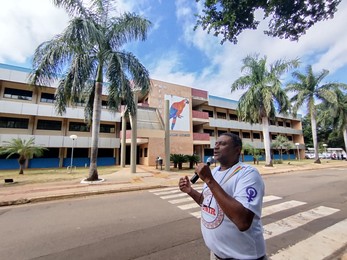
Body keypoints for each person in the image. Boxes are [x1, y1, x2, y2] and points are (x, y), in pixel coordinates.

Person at [179, 133, 266, 260]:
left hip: (243, 257)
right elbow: (207, 203)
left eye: (223, 144)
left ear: (237, 150)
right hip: (216, 255)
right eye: (216, 144)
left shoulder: (247, 173)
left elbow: (243, 221)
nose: (216, 147)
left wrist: (209, 180)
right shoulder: (214, 172)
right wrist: (190, 191)